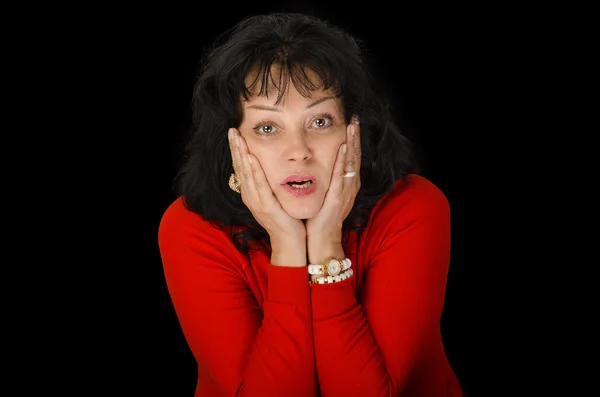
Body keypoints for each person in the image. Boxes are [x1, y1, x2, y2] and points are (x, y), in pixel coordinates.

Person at [158, 11, 464, 397]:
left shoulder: (414, 207)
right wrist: (288, 246)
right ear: (233, 143)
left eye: (320, 122)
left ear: (354, 129)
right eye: (267, 128)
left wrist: (325, 243)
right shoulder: (190, 228)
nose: (298, 152)